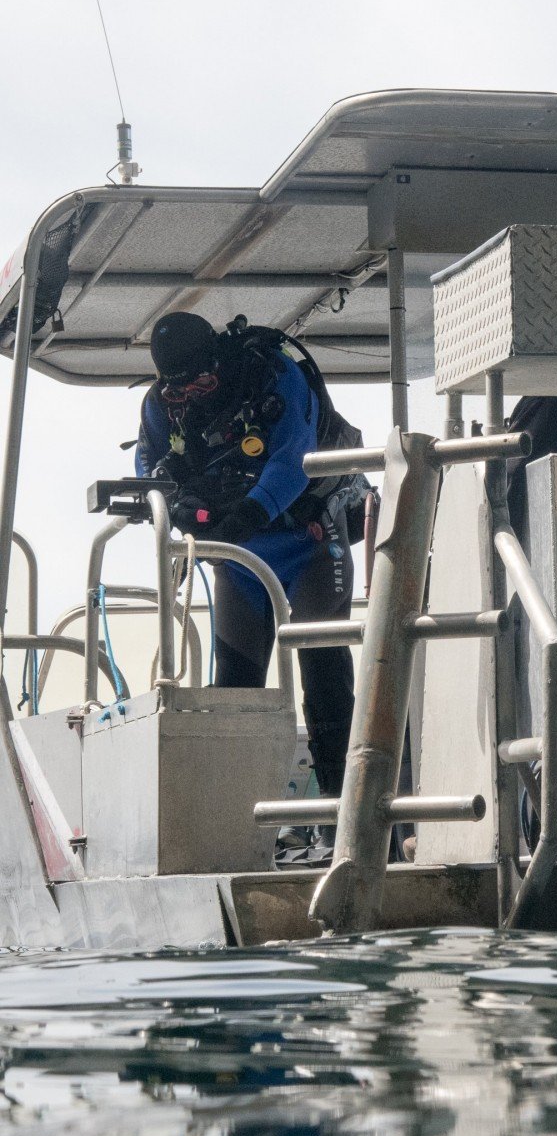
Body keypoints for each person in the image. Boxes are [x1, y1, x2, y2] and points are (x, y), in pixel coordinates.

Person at [135, 311, 357, 843]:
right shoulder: (160, 404)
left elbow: (293, 454)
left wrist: (253, 511)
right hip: (238, 553)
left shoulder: (271, 375)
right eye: (179, 387)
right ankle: (238, 830)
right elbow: (148, 462)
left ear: (219, 360)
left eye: (201, 381)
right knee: (236, 684)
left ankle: (345, 827)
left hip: (307, 536)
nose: (192, 393)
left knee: (323, 672)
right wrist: (170, 499)